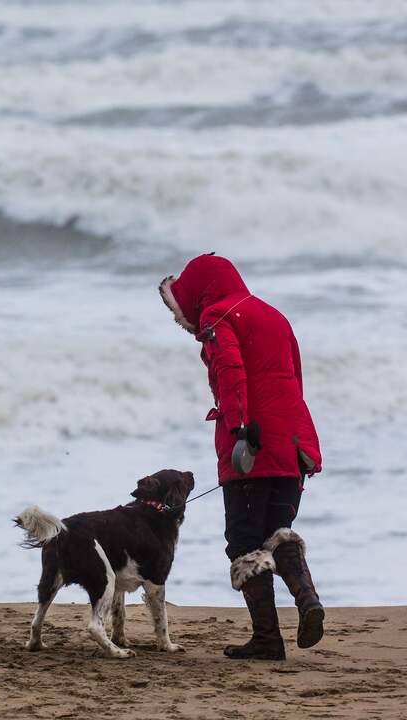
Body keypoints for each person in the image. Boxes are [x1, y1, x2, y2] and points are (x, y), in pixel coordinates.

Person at [159, 253, 324, 660]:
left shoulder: (218, 317)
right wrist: (302, 445)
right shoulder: (274, 316)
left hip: (252, 444)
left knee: (245, 544)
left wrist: (239, 430)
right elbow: (295, 384)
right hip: (291, 445)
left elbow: (232, 374)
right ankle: (308, 600)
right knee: (277, 533)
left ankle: (268, 639)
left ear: (200, 293)